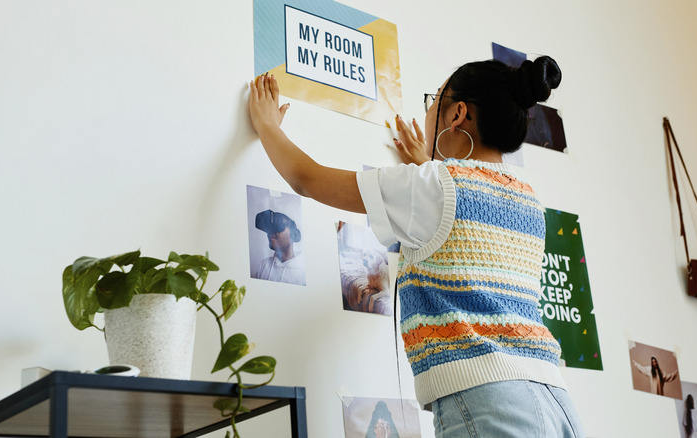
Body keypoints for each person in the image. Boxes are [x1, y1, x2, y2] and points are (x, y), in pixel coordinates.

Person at [249, 56, 585, 437]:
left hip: (490, 402)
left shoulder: (433, 185)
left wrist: (265, 123)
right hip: (557, 403)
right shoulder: (527, 200)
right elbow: (465, 238)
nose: (426, 115)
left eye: (432, 101)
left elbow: (306, 179)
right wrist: (426, 165)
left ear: (458, 113)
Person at [253, 209, 305, 285]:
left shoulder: (303, 273)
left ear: (292, 233)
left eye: (278, 227)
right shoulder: (264, 265)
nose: (270, 232)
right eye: (269, 228)